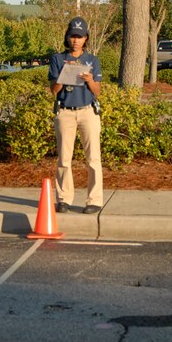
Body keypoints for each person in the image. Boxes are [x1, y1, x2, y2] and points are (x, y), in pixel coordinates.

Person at [48, 16, 103, 214]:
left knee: (93, 158)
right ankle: (63, 198)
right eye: (73, 36)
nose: (76, 40)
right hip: (65, 112)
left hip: (88, 112)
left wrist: (89, 80)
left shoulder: (92, 60)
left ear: (86, 38)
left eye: (80, 37)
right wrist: (64, 76)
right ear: (68, 37)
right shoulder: (57, 59)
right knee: (64, 158)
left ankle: (94, 200)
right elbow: (53, 89)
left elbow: (97, 90)